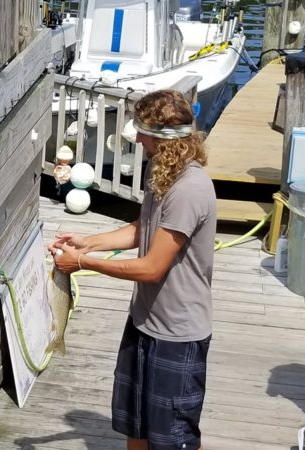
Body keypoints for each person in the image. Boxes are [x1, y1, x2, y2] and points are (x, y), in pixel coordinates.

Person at [49, 90, 216, 450]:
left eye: (142, 131)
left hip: (177, 334)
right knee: (136, 428)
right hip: (144, 322)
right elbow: (144, 229)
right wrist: (88, 242)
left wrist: (80, 263)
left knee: (176, 440)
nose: (137, 138)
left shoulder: (190, 188)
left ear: (163, 138)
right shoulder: (162, 170)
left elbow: (152, 268)